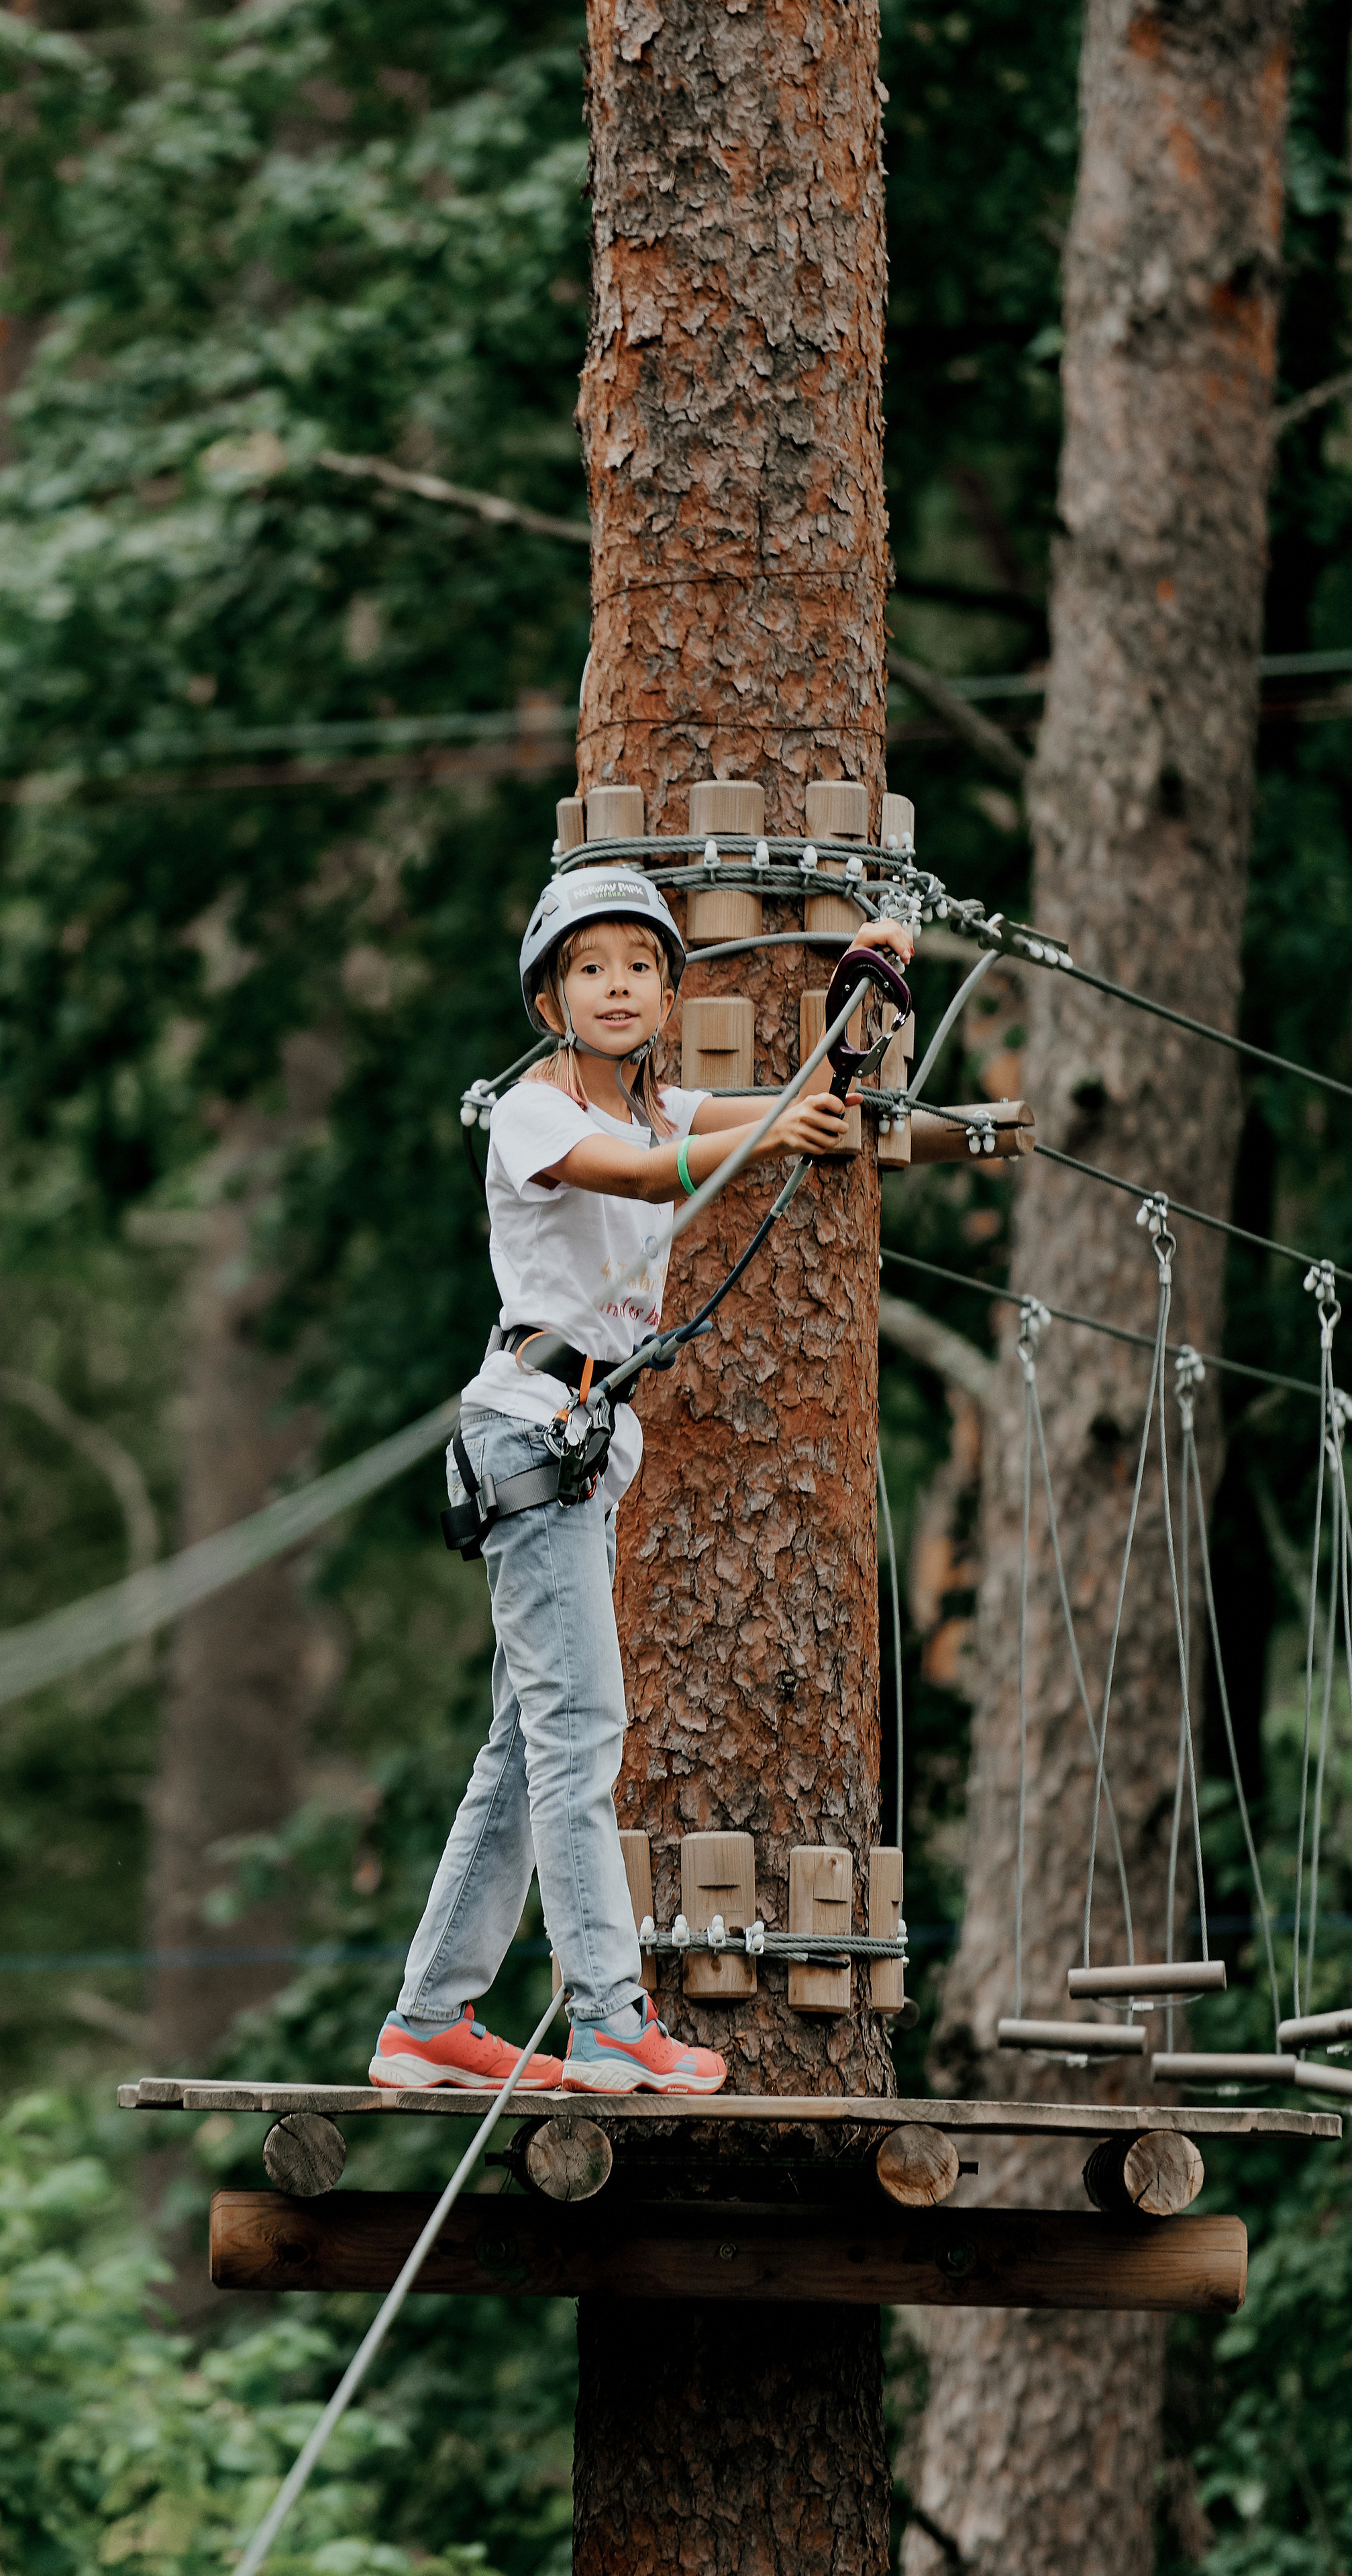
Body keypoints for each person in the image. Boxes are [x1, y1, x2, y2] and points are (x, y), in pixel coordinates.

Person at [370, 866, 915, 2094]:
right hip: (529, 1432)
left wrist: (866, 980)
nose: (615, 987)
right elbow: (641, 1175)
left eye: (638, 967)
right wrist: (772, 1131)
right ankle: (609, 2017)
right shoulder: (535, 1114)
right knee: (579, 1736)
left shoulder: (667, 1108)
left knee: (524, 1745)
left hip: (585, 1445)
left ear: (670, 991)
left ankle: (428, 2019)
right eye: (590, 968)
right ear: (553, 997)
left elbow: (762, 1108)